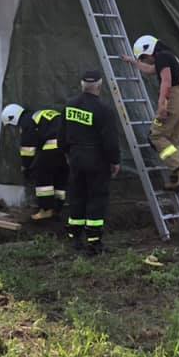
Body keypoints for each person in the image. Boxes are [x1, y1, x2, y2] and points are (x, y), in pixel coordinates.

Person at [59, 70, 121, 255]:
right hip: (96, 158)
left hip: (75, 157)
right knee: (97, 198)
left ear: (81, 85)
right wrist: (114, 161)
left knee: (77, 195)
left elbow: (61, 135)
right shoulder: (104, 110)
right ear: (100, 86)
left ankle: (75, 237)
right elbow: (110, 140)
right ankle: (94, 241)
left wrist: (66, 153)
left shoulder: (69, 106)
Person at [123, 34, 179, 190]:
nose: (144, 61)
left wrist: (162, 105)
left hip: (175, 99)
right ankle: (177, 176)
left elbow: (166, 83)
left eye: (143, 57)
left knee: (156, 136)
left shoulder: (161, 57)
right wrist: (133, 62)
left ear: (148, 51)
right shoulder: (168, 57)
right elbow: (150, 70)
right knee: (172, 138)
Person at [1, 104, 69, 221]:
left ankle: (46, 209)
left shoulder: (26, 121)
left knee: (42, 174)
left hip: (53, 143)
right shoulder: (36, 115)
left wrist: (26, 167)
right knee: (59, 175)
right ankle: (57, 208)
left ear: (13, 118)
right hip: (67, 146)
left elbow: (28, 149)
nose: (16, 128)